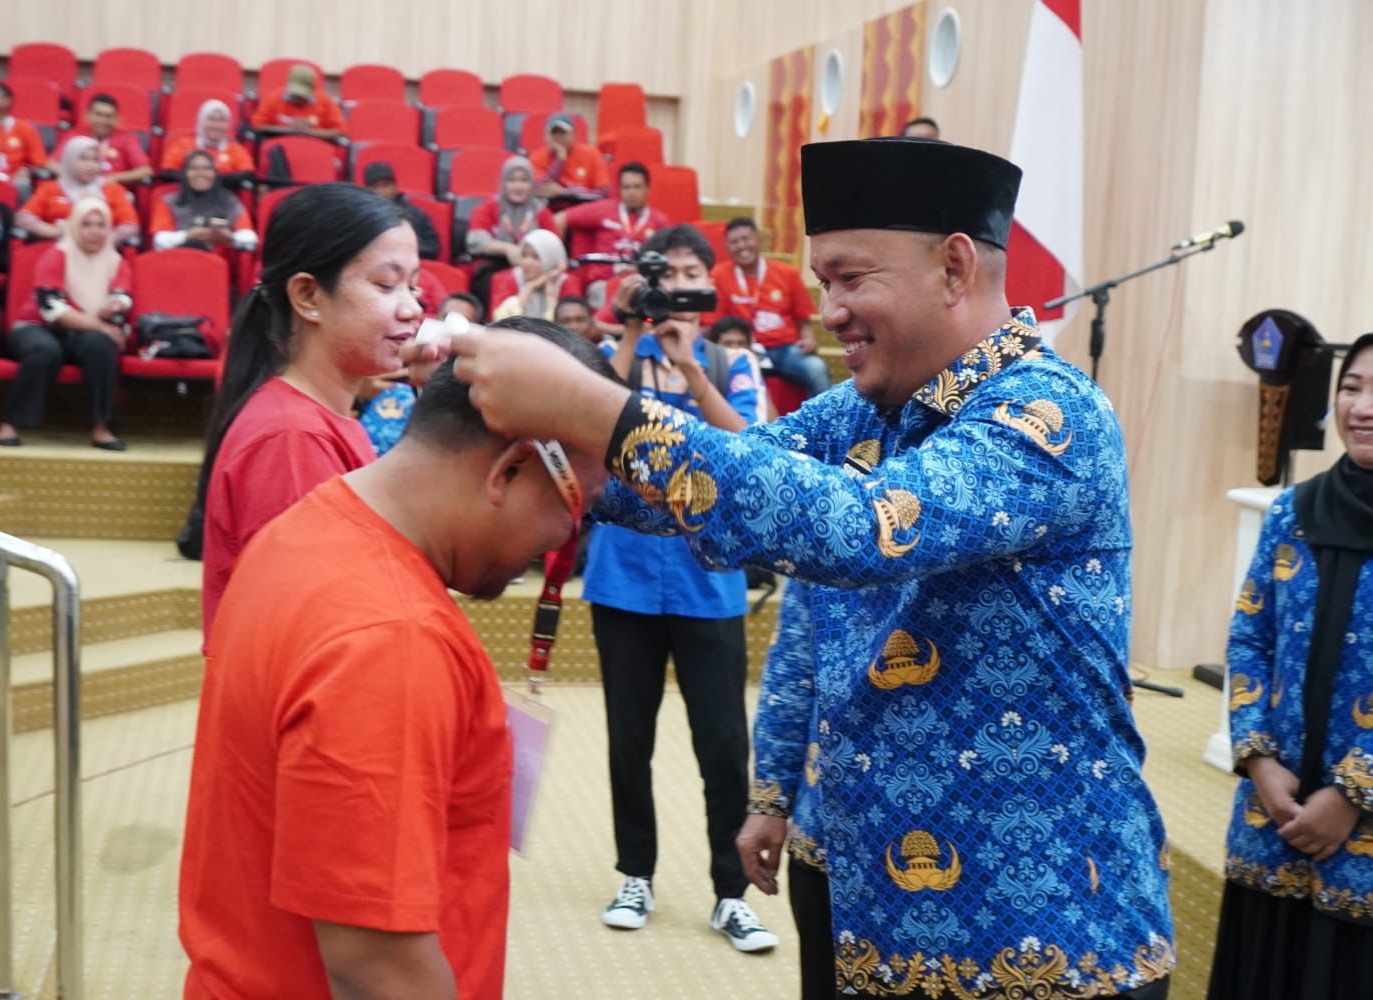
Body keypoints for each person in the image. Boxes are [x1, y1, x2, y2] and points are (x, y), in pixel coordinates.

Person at [439, 138, 1175, 998]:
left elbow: (862, 529)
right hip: (864, 888)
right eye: (822, 283)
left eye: (850, 279)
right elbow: (708, 493)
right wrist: (513, 420)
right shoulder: (859, 410)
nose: (829, 313)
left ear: (954, 267)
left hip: (1039, 922)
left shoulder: (1049, 414)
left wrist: (603, 411)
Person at [180, 317, 613, 1000]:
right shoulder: (393, 639)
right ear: (509, 469)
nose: (565, 541)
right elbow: (375, 965)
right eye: (578, 510)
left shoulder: (303, 527)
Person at [575, 223, 774, 953]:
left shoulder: (731, 359)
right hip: (622, 579)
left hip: (708, 583)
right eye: (667, 277)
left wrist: (691, 368)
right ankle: (635, 875)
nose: (678, 290)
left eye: (691, 275)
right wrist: (630, 333)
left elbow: (750, 448)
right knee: (628, 739)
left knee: (722, 744)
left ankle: (731, 894)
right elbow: (584, 418)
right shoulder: (613, 357)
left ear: (708, 283)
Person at [1206, 333, 1373, 1000]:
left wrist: (1352, 795)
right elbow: (1251, 637)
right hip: (1275, 812)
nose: (1362, 407)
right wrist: (1259, 761)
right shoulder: (1293, 512)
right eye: (1352, 387)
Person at [195, 183, 421, 637]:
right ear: (309, 297)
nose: (413, 308)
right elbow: (318, 625)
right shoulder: (291, 439)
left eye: (413, 286)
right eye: (386, 285)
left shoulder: (320, 419)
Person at [0, 197, 131, 451]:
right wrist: (101, 326)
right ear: (74, 226)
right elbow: (52, 310)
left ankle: (102, 426)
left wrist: (115, 306)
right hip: (36, 326)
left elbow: (123, 296)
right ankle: (11, 423)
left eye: (100, 225)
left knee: (100, 346)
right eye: (86, 224)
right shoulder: (56, 255)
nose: (94, 231)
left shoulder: (115, 261)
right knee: (45, 351)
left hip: (82, 330)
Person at [712, 216, 829, 396]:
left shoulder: (788, 274)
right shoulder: (719, 276)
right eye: (734, 242)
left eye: (746, 239)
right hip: (744, 347)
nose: (741, 246)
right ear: (727, 247)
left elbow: (803, 320)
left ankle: (823, 415)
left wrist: (808, 339)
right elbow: (716, 324)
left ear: (758, 240)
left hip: (784, 348)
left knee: (817, 368)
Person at [557, 161, 670, 297]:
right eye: (626, 187)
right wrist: (559, 260)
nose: (632, 192)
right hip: (604, 283)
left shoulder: (659, 221)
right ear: (619, 190)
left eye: (637, 187)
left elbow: (667, 258)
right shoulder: (603, 209)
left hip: (641, 283)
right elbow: (559, 219)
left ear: (647, 189)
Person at [464, 155, 558, 305]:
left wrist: (528, 257)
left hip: (535, 267)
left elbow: (553, 246)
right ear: (503, 183)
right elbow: (476, 240)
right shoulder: (489, 207)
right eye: (512, 180)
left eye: (524, 180)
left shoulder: (541, 212)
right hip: (496, 263)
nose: (518, 186)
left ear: (532, 184)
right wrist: (507, 249)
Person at [16, 135, 139, 246]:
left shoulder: (113, 190)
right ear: (70, 160)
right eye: (84, 159)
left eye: (95, 160)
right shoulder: (50, 188)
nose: (90, 165)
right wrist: (57, 231)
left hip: (99, 252)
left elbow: (130, 225)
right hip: (56, 248)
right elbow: (24, 218)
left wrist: (99, 239)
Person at [149, 149, 256, 254]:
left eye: (207, 168)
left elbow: (251, 239)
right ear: (185, 174)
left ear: (215, 173)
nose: (201, 173)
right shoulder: (169, 201)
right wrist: (188, 235)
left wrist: (230, 237)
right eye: (194, 169)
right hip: (181, 259)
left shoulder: (229, 201)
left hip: (219, 261)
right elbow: (159, 241)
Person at [52, 93, 152, 186]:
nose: (103, 121)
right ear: (88, 115)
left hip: (112, 190)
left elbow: (146, 170)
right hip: (77, 186)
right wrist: (76, 176)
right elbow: (52, 164)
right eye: (98, 115)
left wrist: (113, 179)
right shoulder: (75, 135)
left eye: (108, 116)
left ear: (117, 119)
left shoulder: (127, 138)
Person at [489, 228, 581, 321]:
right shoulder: (507, 278)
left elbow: (567, 325)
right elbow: (500, 322)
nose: (527, 262)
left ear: (551, 258)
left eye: (536, 257)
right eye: (524, 255)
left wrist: (551, 299)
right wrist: (528, 288)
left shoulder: (566, 282)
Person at [362, 160, 441, 261]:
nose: (381, 191)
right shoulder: (362, 218)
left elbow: (432, 248)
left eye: (386, 185)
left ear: (395, 187)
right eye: (375, 187)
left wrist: (402, 248)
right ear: (367, 190)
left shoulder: (416, 214)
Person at [530, 111, 609, 207]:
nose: (558, 137)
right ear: (547, 136)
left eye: (563, 132)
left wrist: (565, 193)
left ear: (573, 134)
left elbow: (603, 193)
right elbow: (539, 189)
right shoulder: (537, 157)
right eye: (554, 132)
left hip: (583, 209)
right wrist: (560, 159)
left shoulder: (591, 153)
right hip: (549, 209)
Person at [250, 64, 346, 140]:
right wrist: (289, 129)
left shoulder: (325, 101)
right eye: (294, 93)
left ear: (312, 89)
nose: (297, 98)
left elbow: (340, 131)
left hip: (315, 148)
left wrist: (308, 132)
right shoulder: (273, 98)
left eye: (301, 95)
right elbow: (257, 125)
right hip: (279, 146)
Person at [161, 99, 253, 177]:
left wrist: (213, 181)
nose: (216, 125)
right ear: (201, 121)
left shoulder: (235, 149)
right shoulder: (184, 145)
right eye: (211, 119)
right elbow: (167, 170)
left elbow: (247, 173)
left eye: (221, 120)